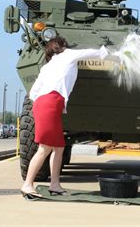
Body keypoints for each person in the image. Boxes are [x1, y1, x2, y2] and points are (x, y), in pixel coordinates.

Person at [20, 36, 109, 197]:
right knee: (44, 148)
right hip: (51, 104)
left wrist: (50, 103)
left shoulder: (47, 67)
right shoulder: (67, 55)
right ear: (61, 46)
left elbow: (33, 93)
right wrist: (106, 52)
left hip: (44, 103)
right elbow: (88, 53)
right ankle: (27, 184)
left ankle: (55, 184)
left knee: (59, 148)